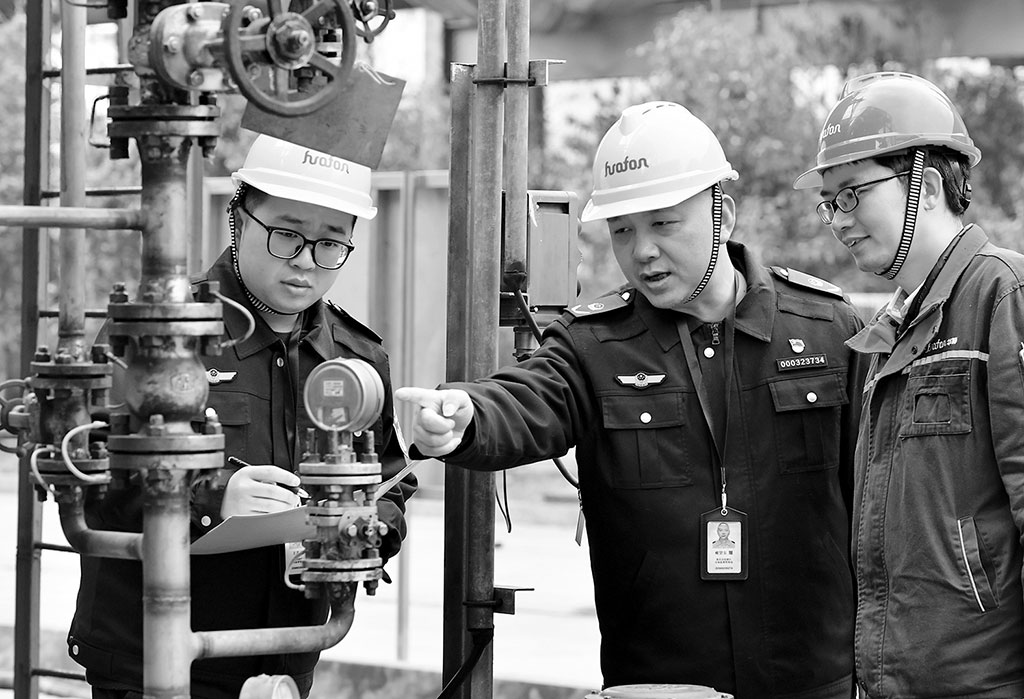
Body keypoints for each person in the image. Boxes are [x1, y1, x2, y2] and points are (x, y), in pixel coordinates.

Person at [397, 101, 866, 698]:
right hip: (656, 682)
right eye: (622, 230)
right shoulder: (595, 345)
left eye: (663, 224)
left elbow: (878, 504)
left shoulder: (827, 330)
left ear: (722, 211)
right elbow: (528, 397)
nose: (642, 250)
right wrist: (467, 415)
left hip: (814, 679)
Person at [67, 134, 417, 699]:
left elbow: (392, 482)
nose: (305, 260)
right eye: (287, 234)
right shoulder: (161, 330)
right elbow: (89, 473)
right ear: (239, 217)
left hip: (288, 654)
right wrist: (212, 500)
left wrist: (371, 528)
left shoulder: (357, 357)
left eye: (331, 243)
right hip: (152, 660)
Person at [794, 71, 1024, 698]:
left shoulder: (1002, 295)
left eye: (851, 194)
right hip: (893, 681)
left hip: (982, 681)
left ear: (927, 180)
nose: (837, 220)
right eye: (828, 202)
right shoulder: (891, 330)